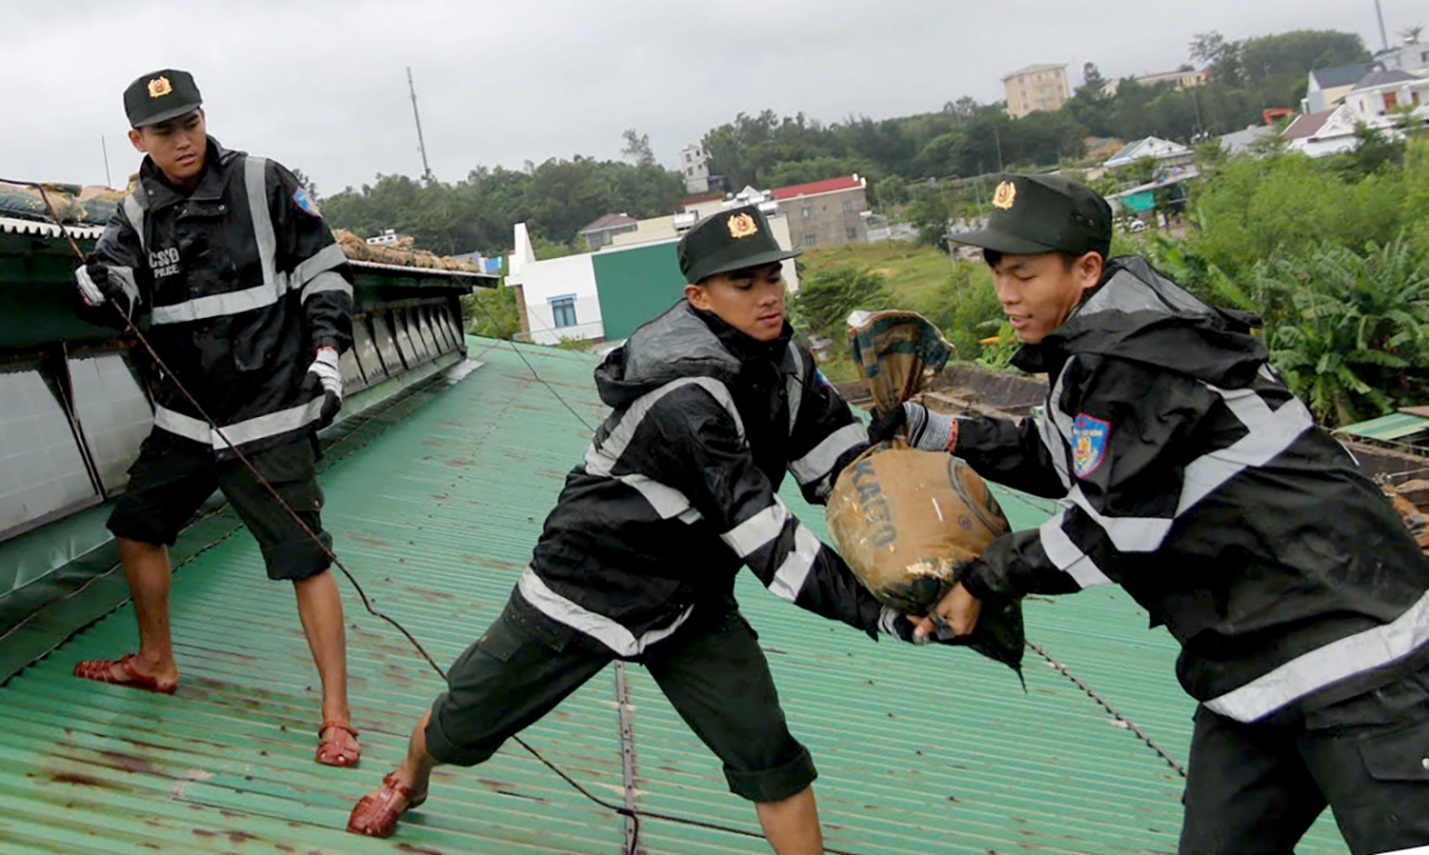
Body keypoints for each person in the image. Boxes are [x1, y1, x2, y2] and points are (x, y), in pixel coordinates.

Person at [346, 205, 937, 851]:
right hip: (588, 583)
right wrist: (882, 614)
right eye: (744, 285)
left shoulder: (786, 363)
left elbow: (840, 472)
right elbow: (768, 538)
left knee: (768, 752)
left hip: (690, 595)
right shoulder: (684, 396)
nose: (767, 296)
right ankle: (409, 774)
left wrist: (901, 503)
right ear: (698, 296)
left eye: (772, 277)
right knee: (462, 725)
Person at [873, 174, 1429, 855]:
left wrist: (981, 579)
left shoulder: (1144, 362)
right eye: (997, 275)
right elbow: (1059, 457)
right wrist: (934, 430)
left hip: (1357, 659)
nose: (1005, 295)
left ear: (1086, 268)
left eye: (1022, 274)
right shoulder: (1098, 356)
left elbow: (1106, 532)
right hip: (1248, 671)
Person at [71, 69, 361, 768]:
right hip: (184, 421)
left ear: (205, 118)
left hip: (268, 414)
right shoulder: (137, 211)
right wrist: (95, 286)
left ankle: (337, 717)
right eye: (165, 131)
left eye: (191, 123)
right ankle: (154, 660)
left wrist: (327, 352)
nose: (183, 140)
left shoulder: (264, 182)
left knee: (304, 557)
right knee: (137, 527)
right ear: (138, 138)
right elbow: (116, 282)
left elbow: (325, 272)